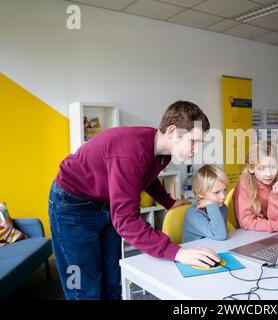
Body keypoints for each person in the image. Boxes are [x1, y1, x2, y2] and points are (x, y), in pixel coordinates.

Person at [48, 100, 220, 300]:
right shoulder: (131, 153)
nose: (196, 151)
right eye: (193, 142)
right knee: (83, 286)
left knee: (112, 279)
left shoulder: (163, 152)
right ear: (172, 131)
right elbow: (126, 221)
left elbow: (146, 177)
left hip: (104, 202)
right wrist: (176, 252)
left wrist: (168, 202)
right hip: (71, 204)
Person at [233, 140, 278, 232]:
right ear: (251, 168)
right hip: (251, 233)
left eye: (273, 167)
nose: (269, 174)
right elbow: (246, 221)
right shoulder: (244, 182)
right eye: (262, 168)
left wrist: (276, 198)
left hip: (276, 232)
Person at [182, 164, 229, 243]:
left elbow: (221, 236)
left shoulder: (223, 208)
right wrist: (211, 204)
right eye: (216, 192)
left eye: (225, 190)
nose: (223, 196)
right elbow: (220, 235)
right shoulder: (193, 213)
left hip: (214, 248)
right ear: (200, 193)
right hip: (195, 252)